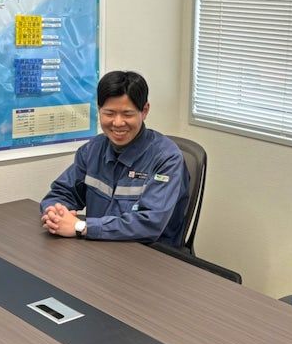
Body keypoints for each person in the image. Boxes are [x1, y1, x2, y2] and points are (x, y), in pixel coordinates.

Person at [40, 70, 190, 244]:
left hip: (150, 253)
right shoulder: (93, 149)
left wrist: (81, 227)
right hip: (101, 247)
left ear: (144, 111)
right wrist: (55, 213)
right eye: (109, 113)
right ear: (99, 110)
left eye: (127, 114)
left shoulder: (167, 158)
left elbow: (150, 224)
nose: (118, 123)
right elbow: (61, 192)